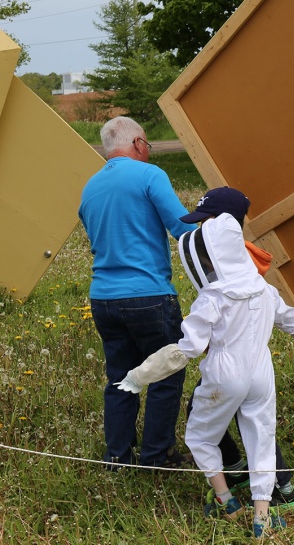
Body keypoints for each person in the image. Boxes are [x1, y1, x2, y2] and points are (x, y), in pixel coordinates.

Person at [115, 213, 294, 538]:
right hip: (261, 371)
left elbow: (184, 350)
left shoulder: (212, 298)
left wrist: (138, 376)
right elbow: (291, 320)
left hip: (224, 373)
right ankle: (262, 517)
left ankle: (226, 502)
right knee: (262, 437)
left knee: (201, 436)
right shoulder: (263, 288)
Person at [78, 116, 197, 467]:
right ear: (139, 144)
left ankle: (118, 455)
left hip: (103, 298)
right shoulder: (150, 175)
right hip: (148, 295)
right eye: (148, 145)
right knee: (166, 372)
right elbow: (182, 228)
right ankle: (158, 455)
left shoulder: (90, 186)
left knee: (120, 377)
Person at [180, 186, 294, 510]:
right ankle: (271, 484)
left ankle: (268, 483)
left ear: (222, 222)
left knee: (242, 417)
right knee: (254, 419)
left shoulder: (235, 258)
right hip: (247, 357)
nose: (198, 228)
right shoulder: (234, 252)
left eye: (203, 220)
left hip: (234, 357)